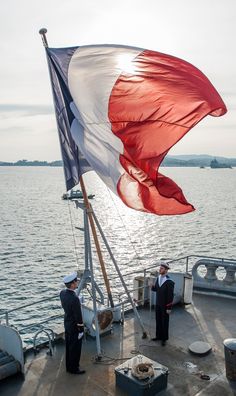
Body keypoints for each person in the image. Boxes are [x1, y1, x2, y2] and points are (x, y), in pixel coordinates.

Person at [60, 272, 85, 374]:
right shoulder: (75, 299)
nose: (77, 282)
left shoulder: (62, 293)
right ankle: (74, 368)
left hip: (67, 323)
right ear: (72, 284)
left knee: (69, 346)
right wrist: (81, 330)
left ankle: (68, 366)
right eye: (76, 281)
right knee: (75, 348)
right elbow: (78, 317)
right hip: (75, 327)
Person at [150, 263, 175, 346]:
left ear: (166, 270)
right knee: (158, 320)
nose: (160, 270)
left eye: (162, 268)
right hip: (158, 304)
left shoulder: (169, 282)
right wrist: (152, 287)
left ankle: (164, 338)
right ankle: (158, 336)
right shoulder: (158, 278)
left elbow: (170, 296)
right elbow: (157, 289)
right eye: (160, 268)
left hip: (165, 305)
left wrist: (169, 308)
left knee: (165, 322)